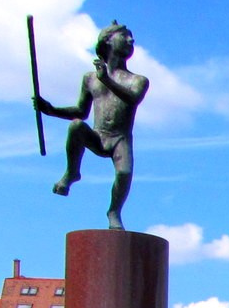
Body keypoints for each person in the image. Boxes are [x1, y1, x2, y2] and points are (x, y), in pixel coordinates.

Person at [35, 21, 149, 231]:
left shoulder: (138, 80)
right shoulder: (90, 79)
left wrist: (106, 80)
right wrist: (50, 109)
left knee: (124, 173)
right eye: (125, 36)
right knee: (77, 126)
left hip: (120, 138)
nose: (131, 40)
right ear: (108, 41)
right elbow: (80, 111)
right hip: (98, 135)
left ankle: (114, 211)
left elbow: (132, 99)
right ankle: (71, 172)